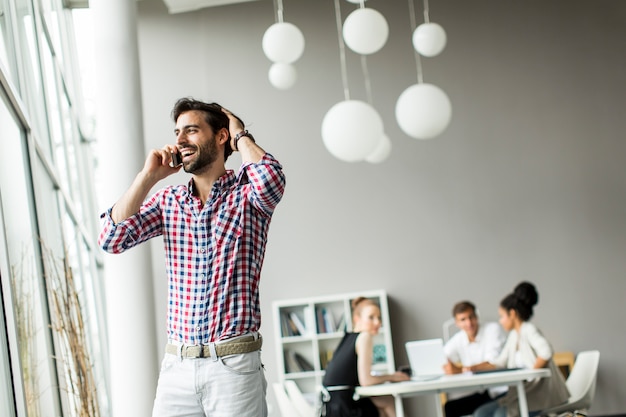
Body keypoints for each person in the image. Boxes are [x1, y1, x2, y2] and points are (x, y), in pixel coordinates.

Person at [98, 97, 286, 416]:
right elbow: (111, 238)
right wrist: (149, 177)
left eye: (191, 131)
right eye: (177, 132)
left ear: (221, 136)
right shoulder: (168, 200)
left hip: (234, 366)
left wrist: (241, 135)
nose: (180, 140)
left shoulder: (248, 194)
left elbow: (272, 180)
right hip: (177, 368)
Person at [469, 282, 569, 417]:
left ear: (512, 313)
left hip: (540, 396)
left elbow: (546, 352)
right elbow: (499, 362)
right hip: (523, 393)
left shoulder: (528, 329)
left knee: (500, 414)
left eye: (502, 316)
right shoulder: (514, 336)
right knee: (481, 413)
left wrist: (533, 375)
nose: (500, 321)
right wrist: (471, 368)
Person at [320, 297, 410, 417]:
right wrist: (393, 376)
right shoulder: (364, 337)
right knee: (388, 404)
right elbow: (366, 381)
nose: (377, 322)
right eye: (371, 317)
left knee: (386, 401)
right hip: (343, 409)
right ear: (357, 319)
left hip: (331, 407)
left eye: (379, 318)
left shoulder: (348, 337)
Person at [442, 301, 507, 417]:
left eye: (471, 317)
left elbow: (493, 363)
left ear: (476, 316)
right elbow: (443, 357)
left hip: (501, 390)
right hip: (483, 392)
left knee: (481, 414)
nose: (469, 323)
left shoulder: (492, 330)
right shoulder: (459, 339)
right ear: (457, 323)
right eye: (463, 320)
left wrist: (462, 369)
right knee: (450, 408)